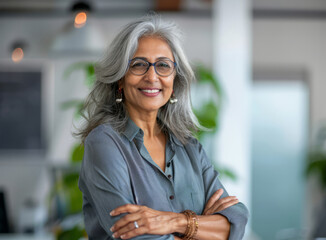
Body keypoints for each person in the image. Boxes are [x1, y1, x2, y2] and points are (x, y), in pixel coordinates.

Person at [77, 14, 248, 240]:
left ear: (174, 81)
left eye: (163, 65)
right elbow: (133, 235)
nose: (152, 76)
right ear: (119, 78)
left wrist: (176, 221)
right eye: (138, 65)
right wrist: (202, 228)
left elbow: (236, 220)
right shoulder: (104, 143)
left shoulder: (190, 147)